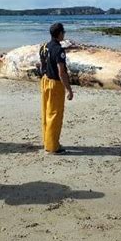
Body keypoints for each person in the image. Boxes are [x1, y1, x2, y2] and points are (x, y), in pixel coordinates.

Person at [39, 23, 74, 154]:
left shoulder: (44, 47)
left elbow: (42, 64)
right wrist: (69, 89)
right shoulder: (59, 50)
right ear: (59, 33)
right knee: (55, 114)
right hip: (55, 83)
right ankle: (53, 146)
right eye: (63, 32)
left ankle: (47, 141)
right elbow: (61, 72)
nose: (64, 34)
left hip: (45, 81)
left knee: (46, 112)